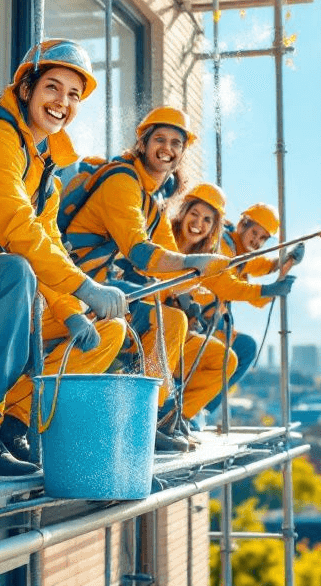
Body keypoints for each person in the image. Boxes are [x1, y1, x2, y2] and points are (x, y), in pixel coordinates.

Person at [0, 38, 128, 476]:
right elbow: (17, 232)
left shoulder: (46, 174)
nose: (62, 102)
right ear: (26, 89)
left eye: (73, 95)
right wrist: (86, 286)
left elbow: (50, 245)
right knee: (13, 273)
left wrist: (71, 309)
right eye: (53, 88)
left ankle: (10, 426)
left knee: (107, 331)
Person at [55, 106, 230, 452]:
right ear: (143, 142)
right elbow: (140, 252)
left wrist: (205, 273)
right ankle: (152, 420)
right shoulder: (122, 182)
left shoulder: (150, 202)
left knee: (173, 318)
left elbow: (167, 264)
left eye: (176, 143)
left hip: (97, 283)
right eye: (160, 140)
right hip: (75, 282)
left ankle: (157, 418)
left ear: (181, 152)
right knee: (166, 319)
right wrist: (193, 259)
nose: (167, 148)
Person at [200, 202, 301, 416]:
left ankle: (202, 409)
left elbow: (259, 266)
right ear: (242, 224)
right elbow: (227, 287)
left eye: (263, 238)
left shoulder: (239, 253)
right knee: (243, 349)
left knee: (245, 349)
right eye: (254, 232)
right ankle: (197, 409)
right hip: (198, 319)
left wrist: (285, 262)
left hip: (211, 323)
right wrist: (268, 288)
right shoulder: (223, 246)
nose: (256, 241)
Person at [163, 182, 244, 438]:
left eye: (207, 220)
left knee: (226, 359)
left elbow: (230, 286)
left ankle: (174, 419)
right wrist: (173, 296)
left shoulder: (206, 257)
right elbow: (149, 272)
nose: (199, 223)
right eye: (195, 214)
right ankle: (159, 412)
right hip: (152, 327)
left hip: (179, 331)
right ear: (183, 213)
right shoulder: (163, 237)